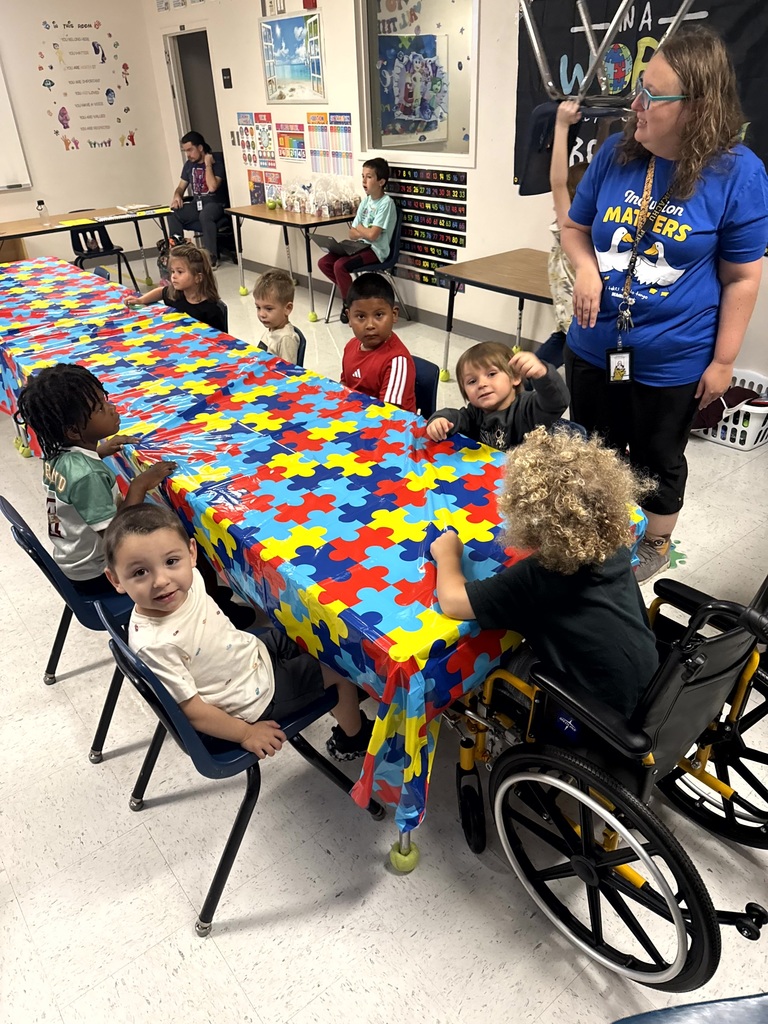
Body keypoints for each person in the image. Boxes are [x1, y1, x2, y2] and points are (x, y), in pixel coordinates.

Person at [561, 26, 768, 582]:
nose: (637, 104)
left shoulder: (738, 172)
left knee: (658, 458)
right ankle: (593, 536)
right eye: (639, 89)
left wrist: (724, 361)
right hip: (592, 343)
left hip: (673, 354)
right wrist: (584, 266)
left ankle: (655, 541)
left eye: (653, 95)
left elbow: (744, 276)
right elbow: (575, 227)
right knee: (591, 450)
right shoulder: (616, 153)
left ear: (698, 106)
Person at [103, 503, 375, 761]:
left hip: (248, 653)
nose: (161, 580)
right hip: (252, 698)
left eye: (171, 561)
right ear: (115, 579)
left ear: (191, 553)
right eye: (140, 572)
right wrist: (246, 733)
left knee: (314, 632)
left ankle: (346, 698)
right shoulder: (155, 645)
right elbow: (192, 711)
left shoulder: (188, 578)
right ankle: (353, 738)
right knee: (339, 668)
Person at [430, 426, 658, 717]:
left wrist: (448, 555)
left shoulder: (538, 578)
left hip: (595, 714)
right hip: (650, 689)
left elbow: (453, 601)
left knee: (495, 667)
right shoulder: (615, 549)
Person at [14, 363, 175, 596]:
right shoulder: (87, 476)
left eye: (105, 400)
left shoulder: (56, 453)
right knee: (177, 550)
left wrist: (101, 450)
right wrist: (140, 484)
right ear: (73, 431)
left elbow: (76, 479)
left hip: (72, 563)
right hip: (97, 575)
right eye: (100, 408)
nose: (112, 408)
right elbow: (118, 537)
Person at [533, 98, 589, 382]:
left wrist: (561, 126)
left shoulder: (570, 222)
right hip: (573, 319)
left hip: (574, 322)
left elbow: (556, 180)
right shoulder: (596, 220)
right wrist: (603, 126)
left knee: (549, 365)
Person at [426, 343, 569, 451]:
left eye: (492, 374)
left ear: (515, 377)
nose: (482, 384)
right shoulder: (476, 411)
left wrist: (542, 374)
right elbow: (455, 416)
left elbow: (557, 402)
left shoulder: (527, 407)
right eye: (472, 381)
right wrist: (440, 420)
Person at [318, 157, 396, 324]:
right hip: (358, 246)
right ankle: (356, 294)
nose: (363, 181)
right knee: (324, 262)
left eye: (369, 177)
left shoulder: (386, 203)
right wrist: (363, 231)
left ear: (381, 181)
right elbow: (352, 233)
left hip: (375, 250)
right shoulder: (365, 201)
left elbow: (373, 236)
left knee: (340, 266)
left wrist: (361, 229)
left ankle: (350, 305)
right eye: (362, 176)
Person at [340, 273, 416, 412]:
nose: (370, 325)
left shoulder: (396, 361)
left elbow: (389, 414)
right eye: (361, 316)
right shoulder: (350, 346)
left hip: (388, 427)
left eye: (379, 315)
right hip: (355, 419)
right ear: (349, 317)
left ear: (394, 315)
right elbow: (344, 386)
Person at [125, 243, 226, 333]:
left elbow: (222, 339)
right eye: (173, 271)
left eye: (180, 272)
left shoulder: (211, 310)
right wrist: (141, 299)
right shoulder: (177, 295)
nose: (173, 276)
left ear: (198, 278)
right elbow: (161, 291)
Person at [166, 131, 229, 267]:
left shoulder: (215, 160)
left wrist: (208, 165)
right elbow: (180, 187)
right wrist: (177, 195)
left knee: (205, 215)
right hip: (197, 204)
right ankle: (177, 253)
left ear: (200, 148)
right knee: (173, 213)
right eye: (185, 151)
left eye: (190, 150)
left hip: (215, 204)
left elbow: (212, 187)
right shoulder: (189, 165)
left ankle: (210, 259)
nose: (188, 154)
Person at [253, 269, 300, 363]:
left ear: (287, 308)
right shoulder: (273, 327)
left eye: (269, 309)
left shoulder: (286, 339)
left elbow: (288, 372)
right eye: (258, 307)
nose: (262, 314)